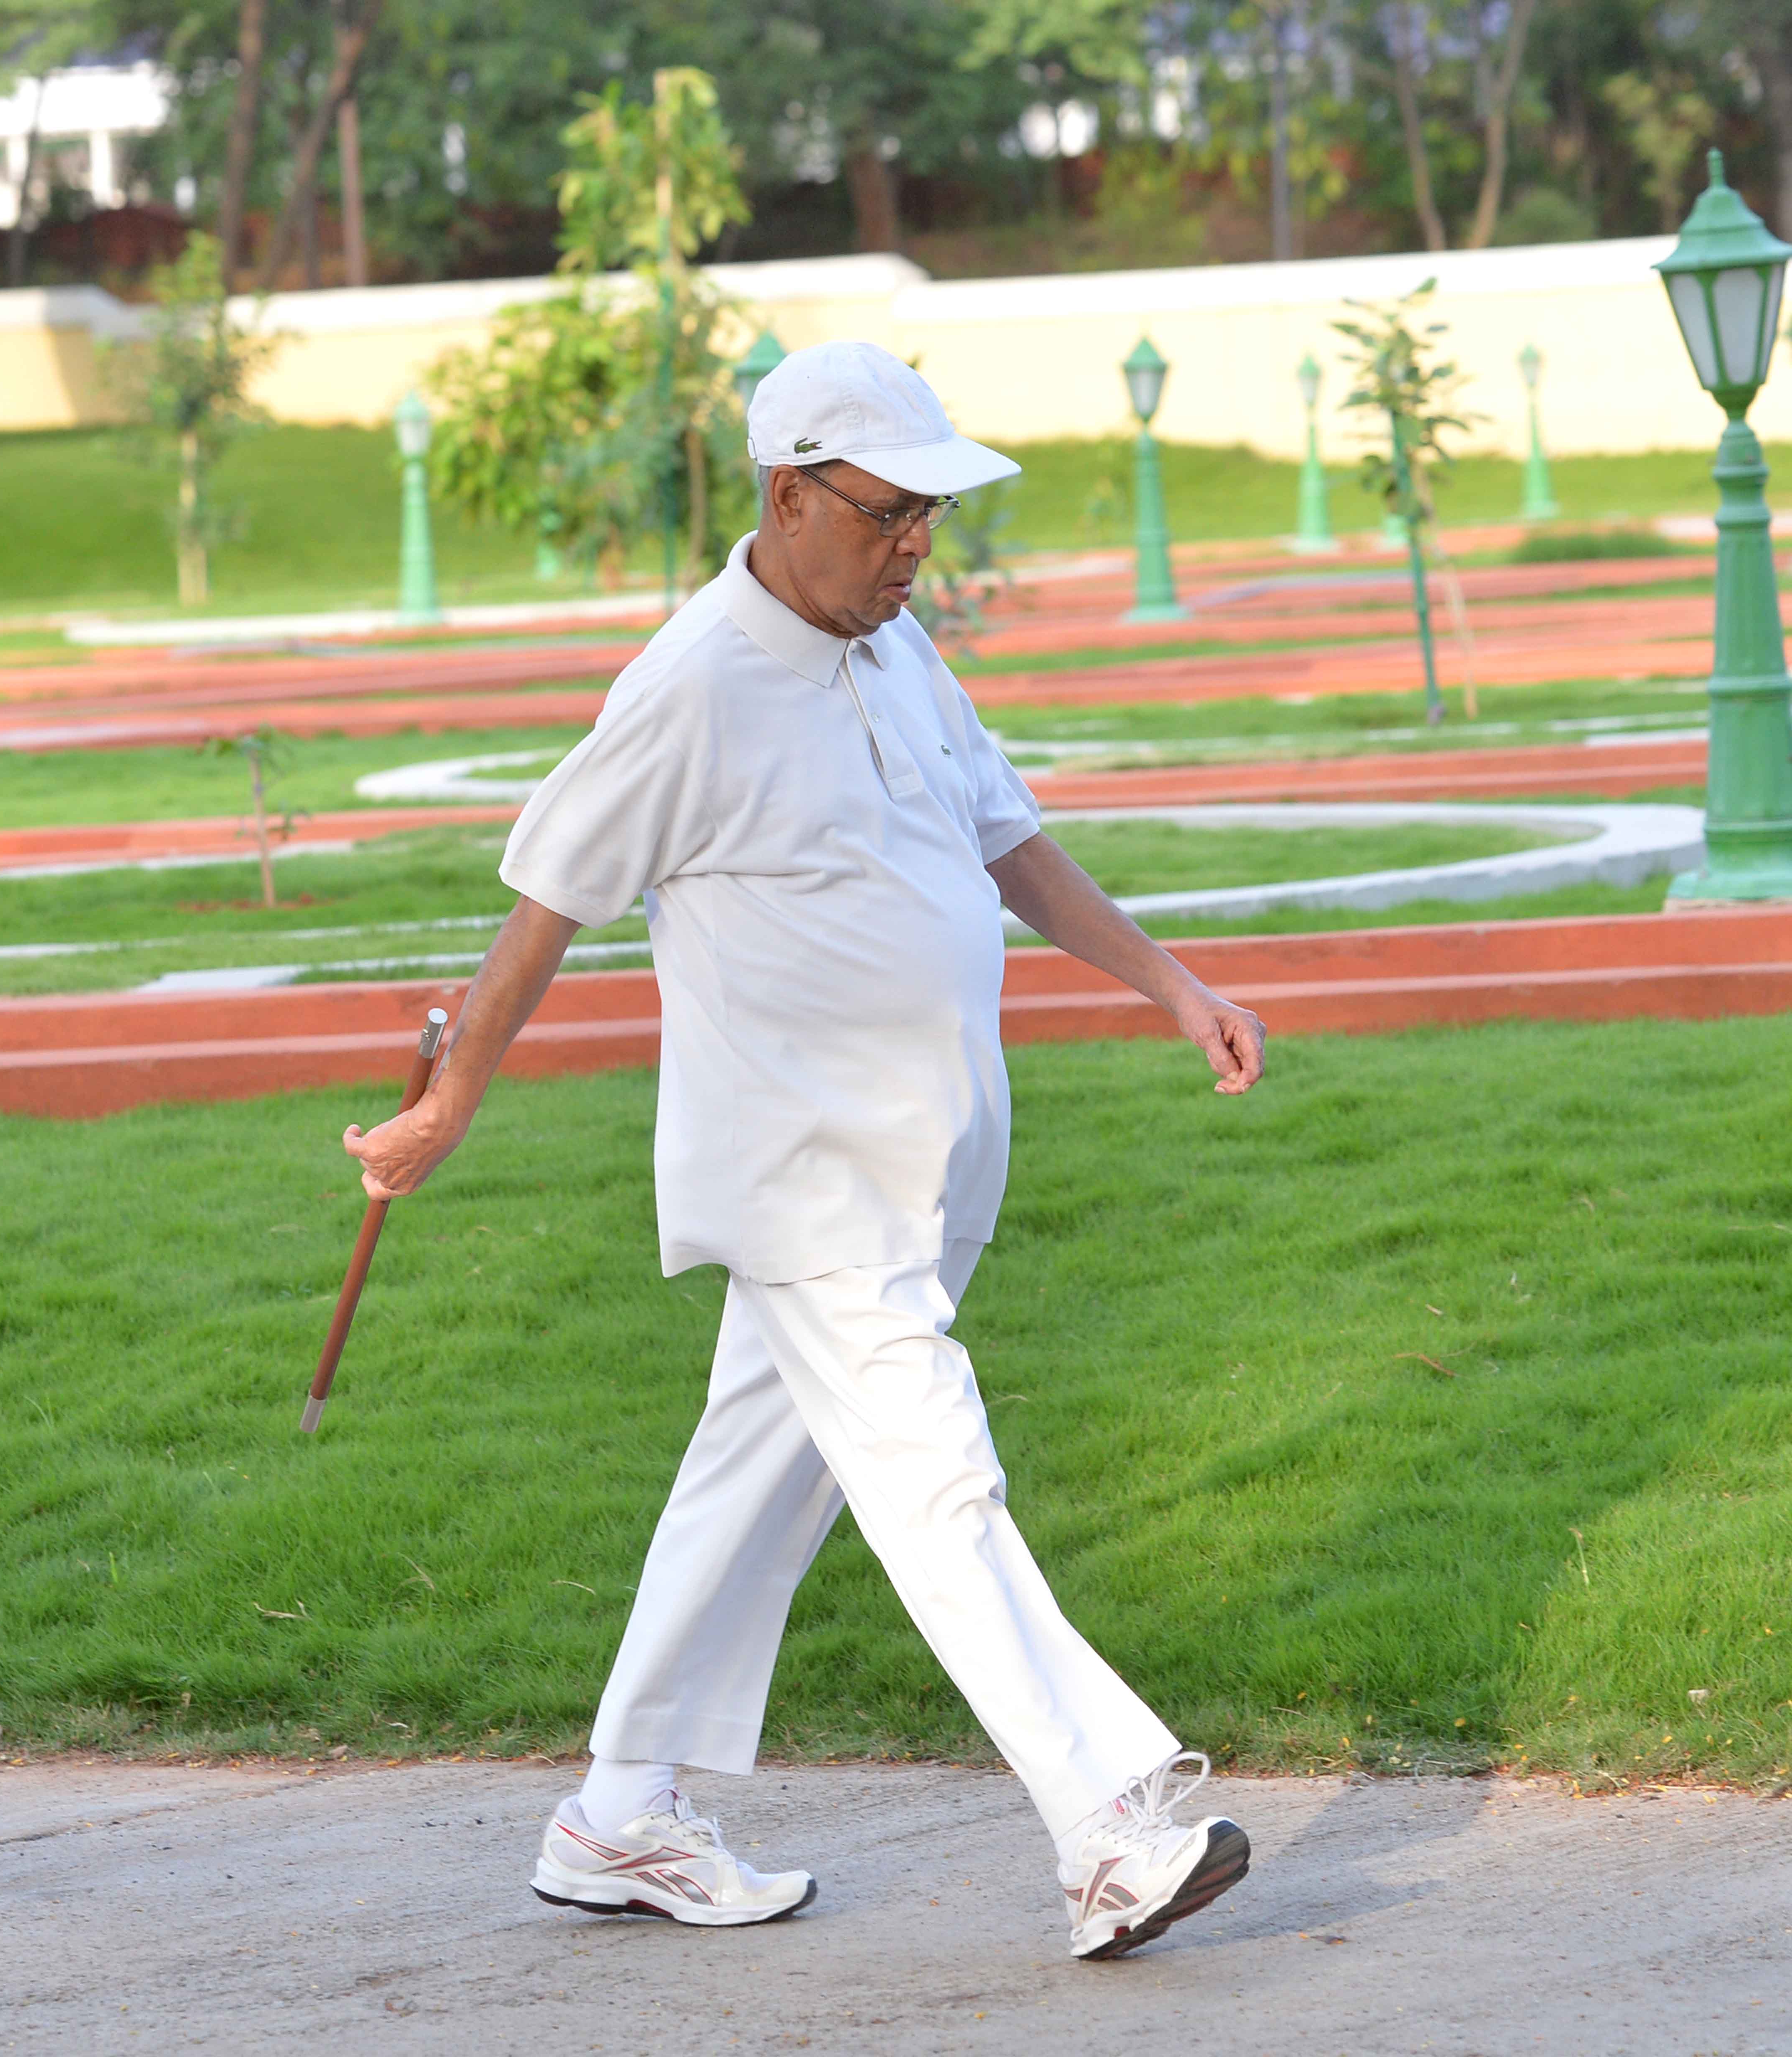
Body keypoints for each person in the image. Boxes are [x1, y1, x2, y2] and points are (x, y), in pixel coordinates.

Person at [342, 339, 1268, 1961]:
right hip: (802, 1181)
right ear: (790, 495)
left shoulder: (896, 648)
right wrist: (447, 1107)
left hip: (924, 1162)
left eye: (932, 515)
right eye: (892, 512)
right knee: (936, 1478)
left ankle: (621, 1813)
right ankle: (1108, 1825)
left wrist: (1170, 983)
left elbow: (1008, 841)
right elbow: (543, 906)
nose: (918, 544)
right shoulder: (693, 681)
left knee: (751, 1479)